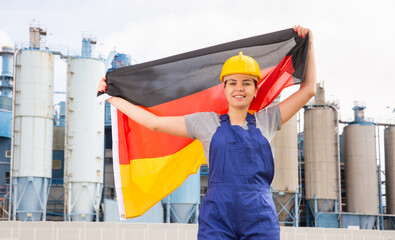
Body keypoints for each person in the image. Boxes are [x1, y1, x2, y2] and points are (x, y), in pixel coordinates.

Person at [97, 25, 316, 240]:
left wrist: (310, 44)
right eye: (233, 83)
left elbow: (308, 90)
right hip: (217, 215)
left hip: (259, 213)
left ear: (256, 89)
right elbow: (153, 123)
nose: (239, 88)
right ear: (224, 88)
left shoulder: (268, 120)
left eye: (246, 83)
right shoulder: (205, 123)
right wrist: (111, 97)